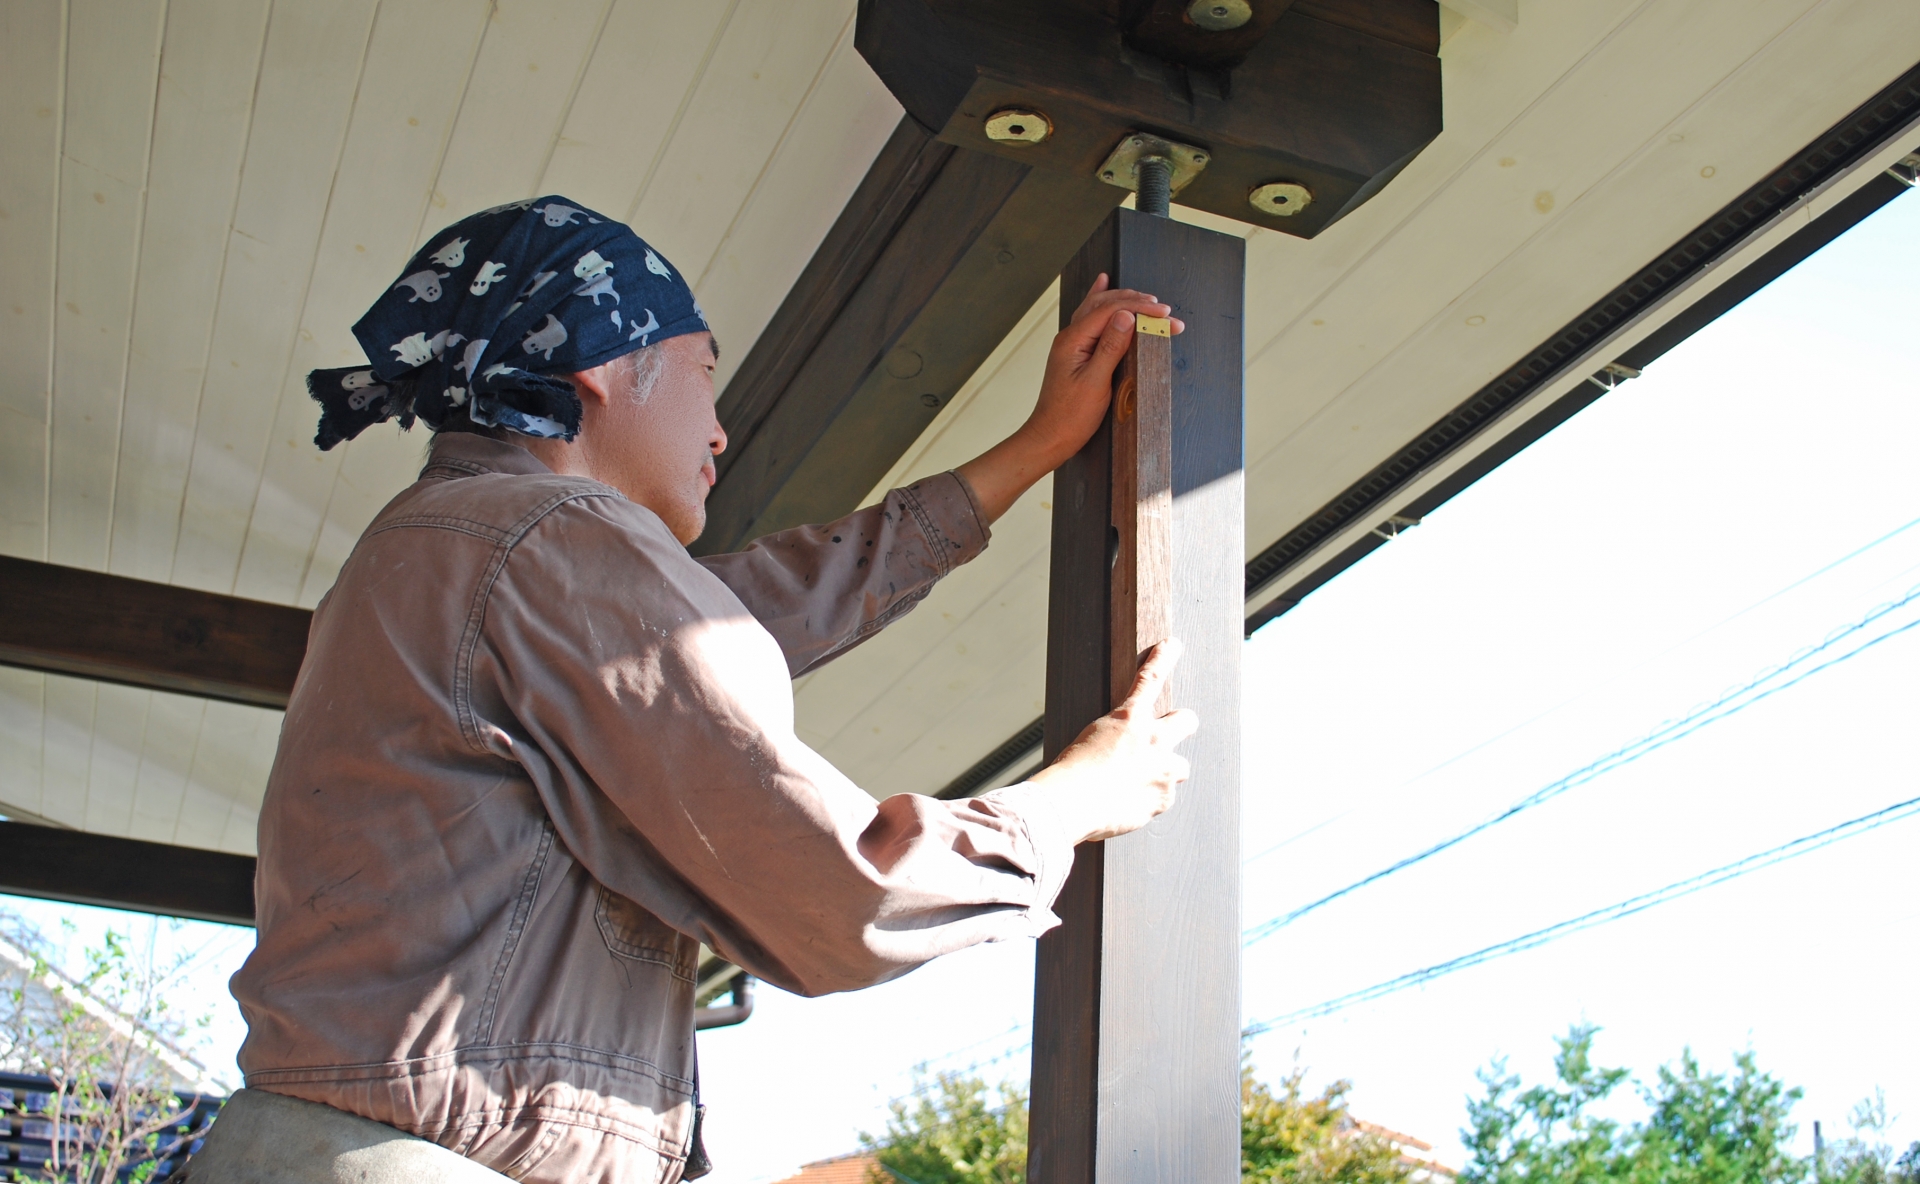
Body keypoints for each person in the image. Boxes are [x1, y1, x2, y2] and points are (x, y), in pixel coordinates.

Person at [201, 197, 1197, 1184]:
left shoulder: (450, 544)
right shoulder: (549, 535)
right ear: (597, 364)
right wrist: (1073, 796)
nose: (720, 430)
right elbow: (846, 892)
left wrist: (1030, 450)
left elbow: (737, 609)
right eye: (703, 373)